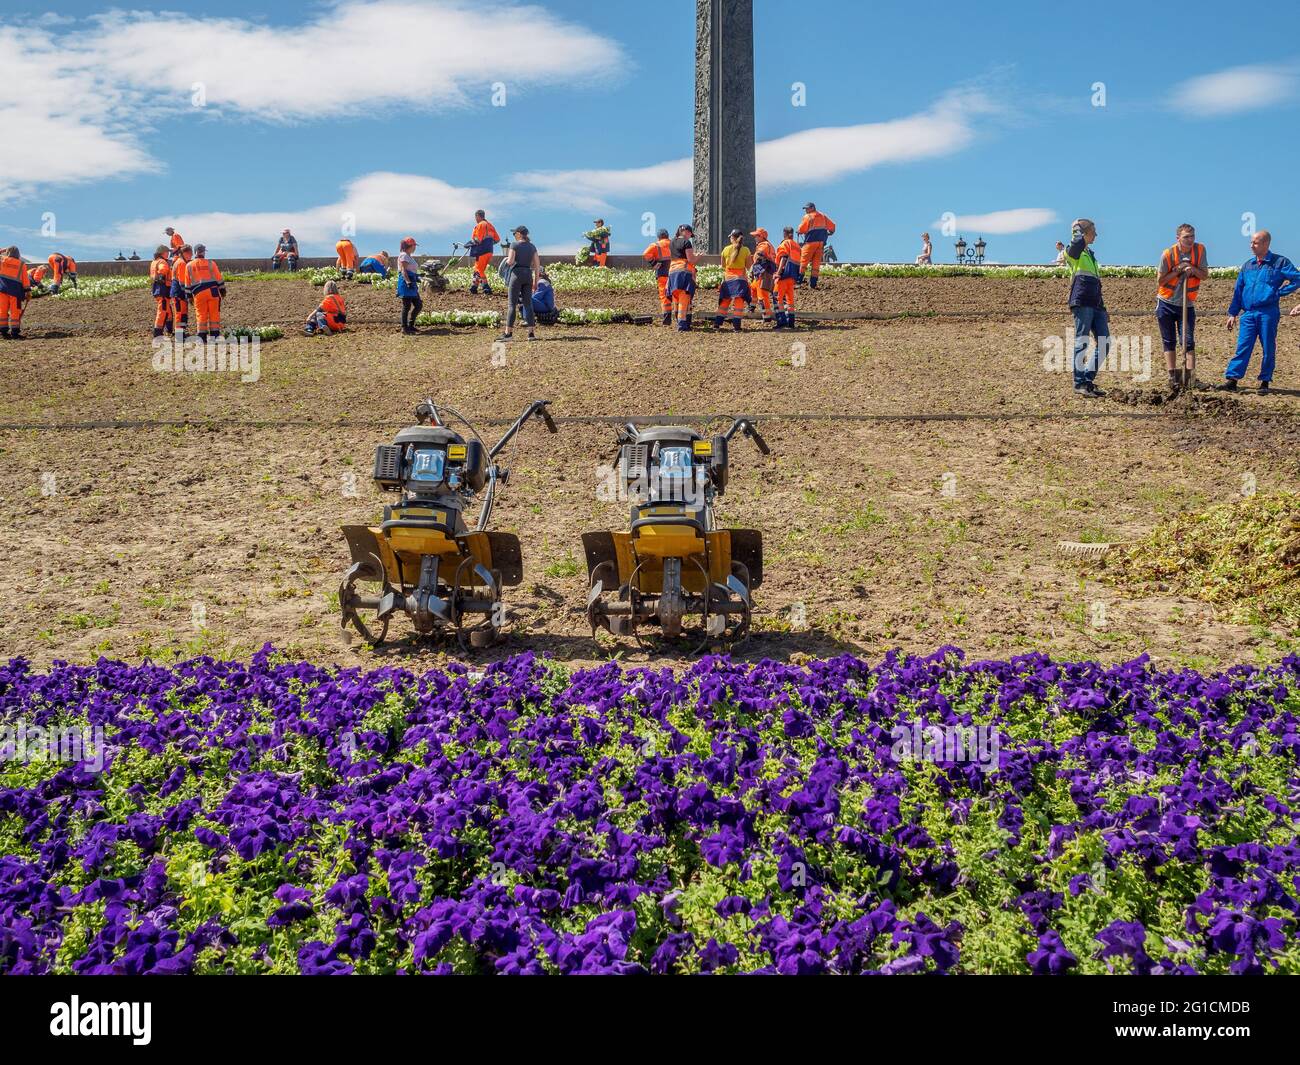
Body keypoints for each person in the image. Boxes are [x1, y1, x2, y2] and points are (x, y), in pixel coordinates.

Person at [1220, 230, 1300, 394]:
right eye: (1251, 242)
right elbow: (1238, 290)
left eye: (1255, 242)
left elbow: (1297, 278)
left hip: (1268, 312)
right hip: (1248, 313)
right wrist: (1233, 313)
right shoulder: (1248, 265)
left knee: (1268, 347)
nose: (1251, 246)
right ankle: (1232, 380)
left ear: (1266, 244)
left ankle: (1264, 381)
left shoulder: (1279, 262)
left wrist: (1279, 292)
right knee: (1243, 346)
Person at [1155, 224, 1208, 391]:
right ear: (1178, 238)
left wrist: (1192, 269)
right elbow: (1161, 281)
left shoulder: (1200, 250)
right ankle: (1172, 377)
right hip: (1167, 303)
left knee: (1188, 340)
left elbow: (1204, 275)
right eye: (1186, 237)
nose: (1190, 240)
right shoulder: (1168, 254)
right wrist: (1177, 271)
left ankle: (1190, 377)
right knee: (1168, 340)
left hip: (1187, 303)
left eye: (1192, 236)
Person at [1063, 218, 1108, 398]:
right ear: (1084, 232)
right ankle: (1079, 382)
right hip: (1082, 302)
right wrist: (1076, 228)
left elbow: (1096, 283)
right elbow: (1075, 245)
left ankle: (1087, 380)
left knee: (1105, 342)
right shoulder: (1073, 251)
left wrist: (1103, 308)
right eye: (1093, 231)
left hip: (1096, 304)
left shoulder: (1090, 254)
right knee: (1082, 341)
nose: (1096, 234)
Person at [499, 226, 538, 341]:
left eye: (515, 233)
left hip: (516, 275)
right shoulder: (532, 247)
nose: (514, 235)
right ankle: (531, 334)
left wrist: (505, 261)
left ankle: (508, 334)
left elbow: (510, 261)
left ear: (519, 234)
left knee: (512, 305)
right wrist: (535, 282)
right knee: (528, 304)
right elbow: (537, 265)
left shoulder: (514, 245)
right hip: (528, 275)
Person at [715, 229, 752, 331]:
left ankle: (717, 324)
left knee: (725, 302)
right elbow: (749, 266)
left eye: (731, 237)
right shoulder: (746, 250)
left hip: (728, 280)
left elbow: (723, 265)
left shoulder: (726, 249)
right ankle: (736, 326)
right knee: (739, 303)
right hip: (740, 280)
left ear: (733, 238)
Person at [186, 244, 225, 339]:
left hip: (198, 293)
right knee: (214, 314)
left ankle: (201, 337)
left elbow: (187, 283)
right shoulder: (211, 263)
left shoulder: (189, 265)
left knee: (201, 314)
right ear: (204, 252)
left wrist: (189, 296)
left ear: (195, 252)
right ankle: (214, 336)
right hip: (213, 291)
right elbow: (219, 278)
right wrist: (222, 290)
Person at [666, 224, 698, 331]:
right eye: (689, 234)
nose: (689, 236)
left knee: (676, 297)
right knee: (684, 298)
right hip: (683, 272)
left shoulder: (672, 242)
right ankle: (682, 324)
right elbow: (691, 260)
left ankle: (681, 321)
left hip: (672, 272)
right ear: (684, 231)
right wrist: (699, 257)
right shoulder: (686, 242)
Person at [796, 202, 836, 288]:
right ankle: (813, 284)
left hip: (810, 243)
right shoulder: (823, 216)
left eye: (807, 209)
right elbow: (833, 226)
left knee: (803, 262)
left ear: (812, 208)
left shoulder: (808, 217)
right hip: (821, 244)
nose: (806, 210)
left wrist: (799, 231)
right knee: (816, 264)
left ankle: (798, 282)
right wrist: (830, 233)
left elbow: (801, 229)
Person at [642, 228, 673, 325]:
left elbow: (646, 254)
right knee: (677, 295)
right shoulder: (674, 243)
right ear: (667, 236)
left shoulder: (656, 245)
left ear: (658, 237)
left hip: (662, 274)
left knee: (664, 296)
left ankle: (667, 319)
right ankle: (680, 318)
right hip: (675, 272)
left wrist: (654, 263)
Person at [467, 211, 502, 295]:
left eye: (475, 217)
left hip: (481, 250)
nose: (475, 219)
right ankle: (474, 287)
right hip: (489, 251)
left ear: (478, 216)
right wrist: (489, 243)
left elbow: (478, 239)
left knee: (479, 270)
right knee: (477, 269)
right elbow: (497, 239)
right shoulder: (490, 225)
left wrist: (469, 244)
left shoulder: (480, 225)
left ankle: (486, 288)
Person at [0, 246, 31, 339]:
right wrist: (28, 291)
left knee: (2, 311)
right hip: (15, 292)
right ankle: (15, 333)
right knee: (15, 312)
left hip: (2, 290)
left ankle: (3, 331)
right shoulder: (22, 264)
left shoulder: (2, 261)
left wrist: (3, 250)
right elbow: (25, 280)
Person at [774, 226, 801, 329]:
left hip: (784, 275)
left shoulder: (785, 243)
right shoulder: (797, 246)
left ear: (784, 233)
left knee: (777, 297)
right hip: (792, 276)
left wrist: (778, 272)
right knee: (790, 300)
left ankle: (781, 322)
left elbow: (784, 257)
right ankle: (791, 322)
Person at [750, 228, 778, 324]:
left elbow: (759, 256)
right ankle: (752, 307)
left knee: (762, 296)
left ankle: (767, 317)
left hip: (764, 273)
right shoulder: (768, 245)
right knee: (753, 287)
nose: (755, 238)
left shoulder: (764, 245)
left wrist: (753, 269)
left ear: (762, 236)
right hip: (764, 272)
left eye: (756, 236)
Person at [396, 236, 422, 334]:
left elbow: (411, 270)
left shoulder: (409, 256)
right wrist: (408, 282)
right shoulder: (404, 256)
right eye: (414, 245)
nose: (415, 247)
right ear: (409, 246)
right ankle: (404, 328)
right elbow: (403, 270)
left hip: (411, 281)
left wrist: (418, 276)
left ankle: (411, 325)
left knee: (418, 305)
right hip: (406, 283)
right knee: (406, 306)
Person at [149, 245, 174, 338]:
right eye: (167, 252)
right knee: (163, 310)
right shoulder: (162, 261)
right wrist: (161, 275)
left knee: (167, 310)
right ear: (162, 253)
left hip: (157, 288)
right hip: (163, 288)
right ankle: (158, 332)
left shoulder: (153, 262)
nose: (168, 253)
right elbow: (163, 268)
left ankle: (169, 330)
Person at [170, 244, 194, 335]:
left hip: (178, 292)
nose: (191, 255)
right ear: (185, 253)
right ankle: (179, 335)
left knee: (182, 313)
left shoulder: (179, 262)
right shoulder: (181, 263)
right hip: (179, 293)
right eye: (190, 253)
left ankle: (182, 333)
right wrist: (188, 294)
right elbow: (182, 282)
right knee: (180, 314)